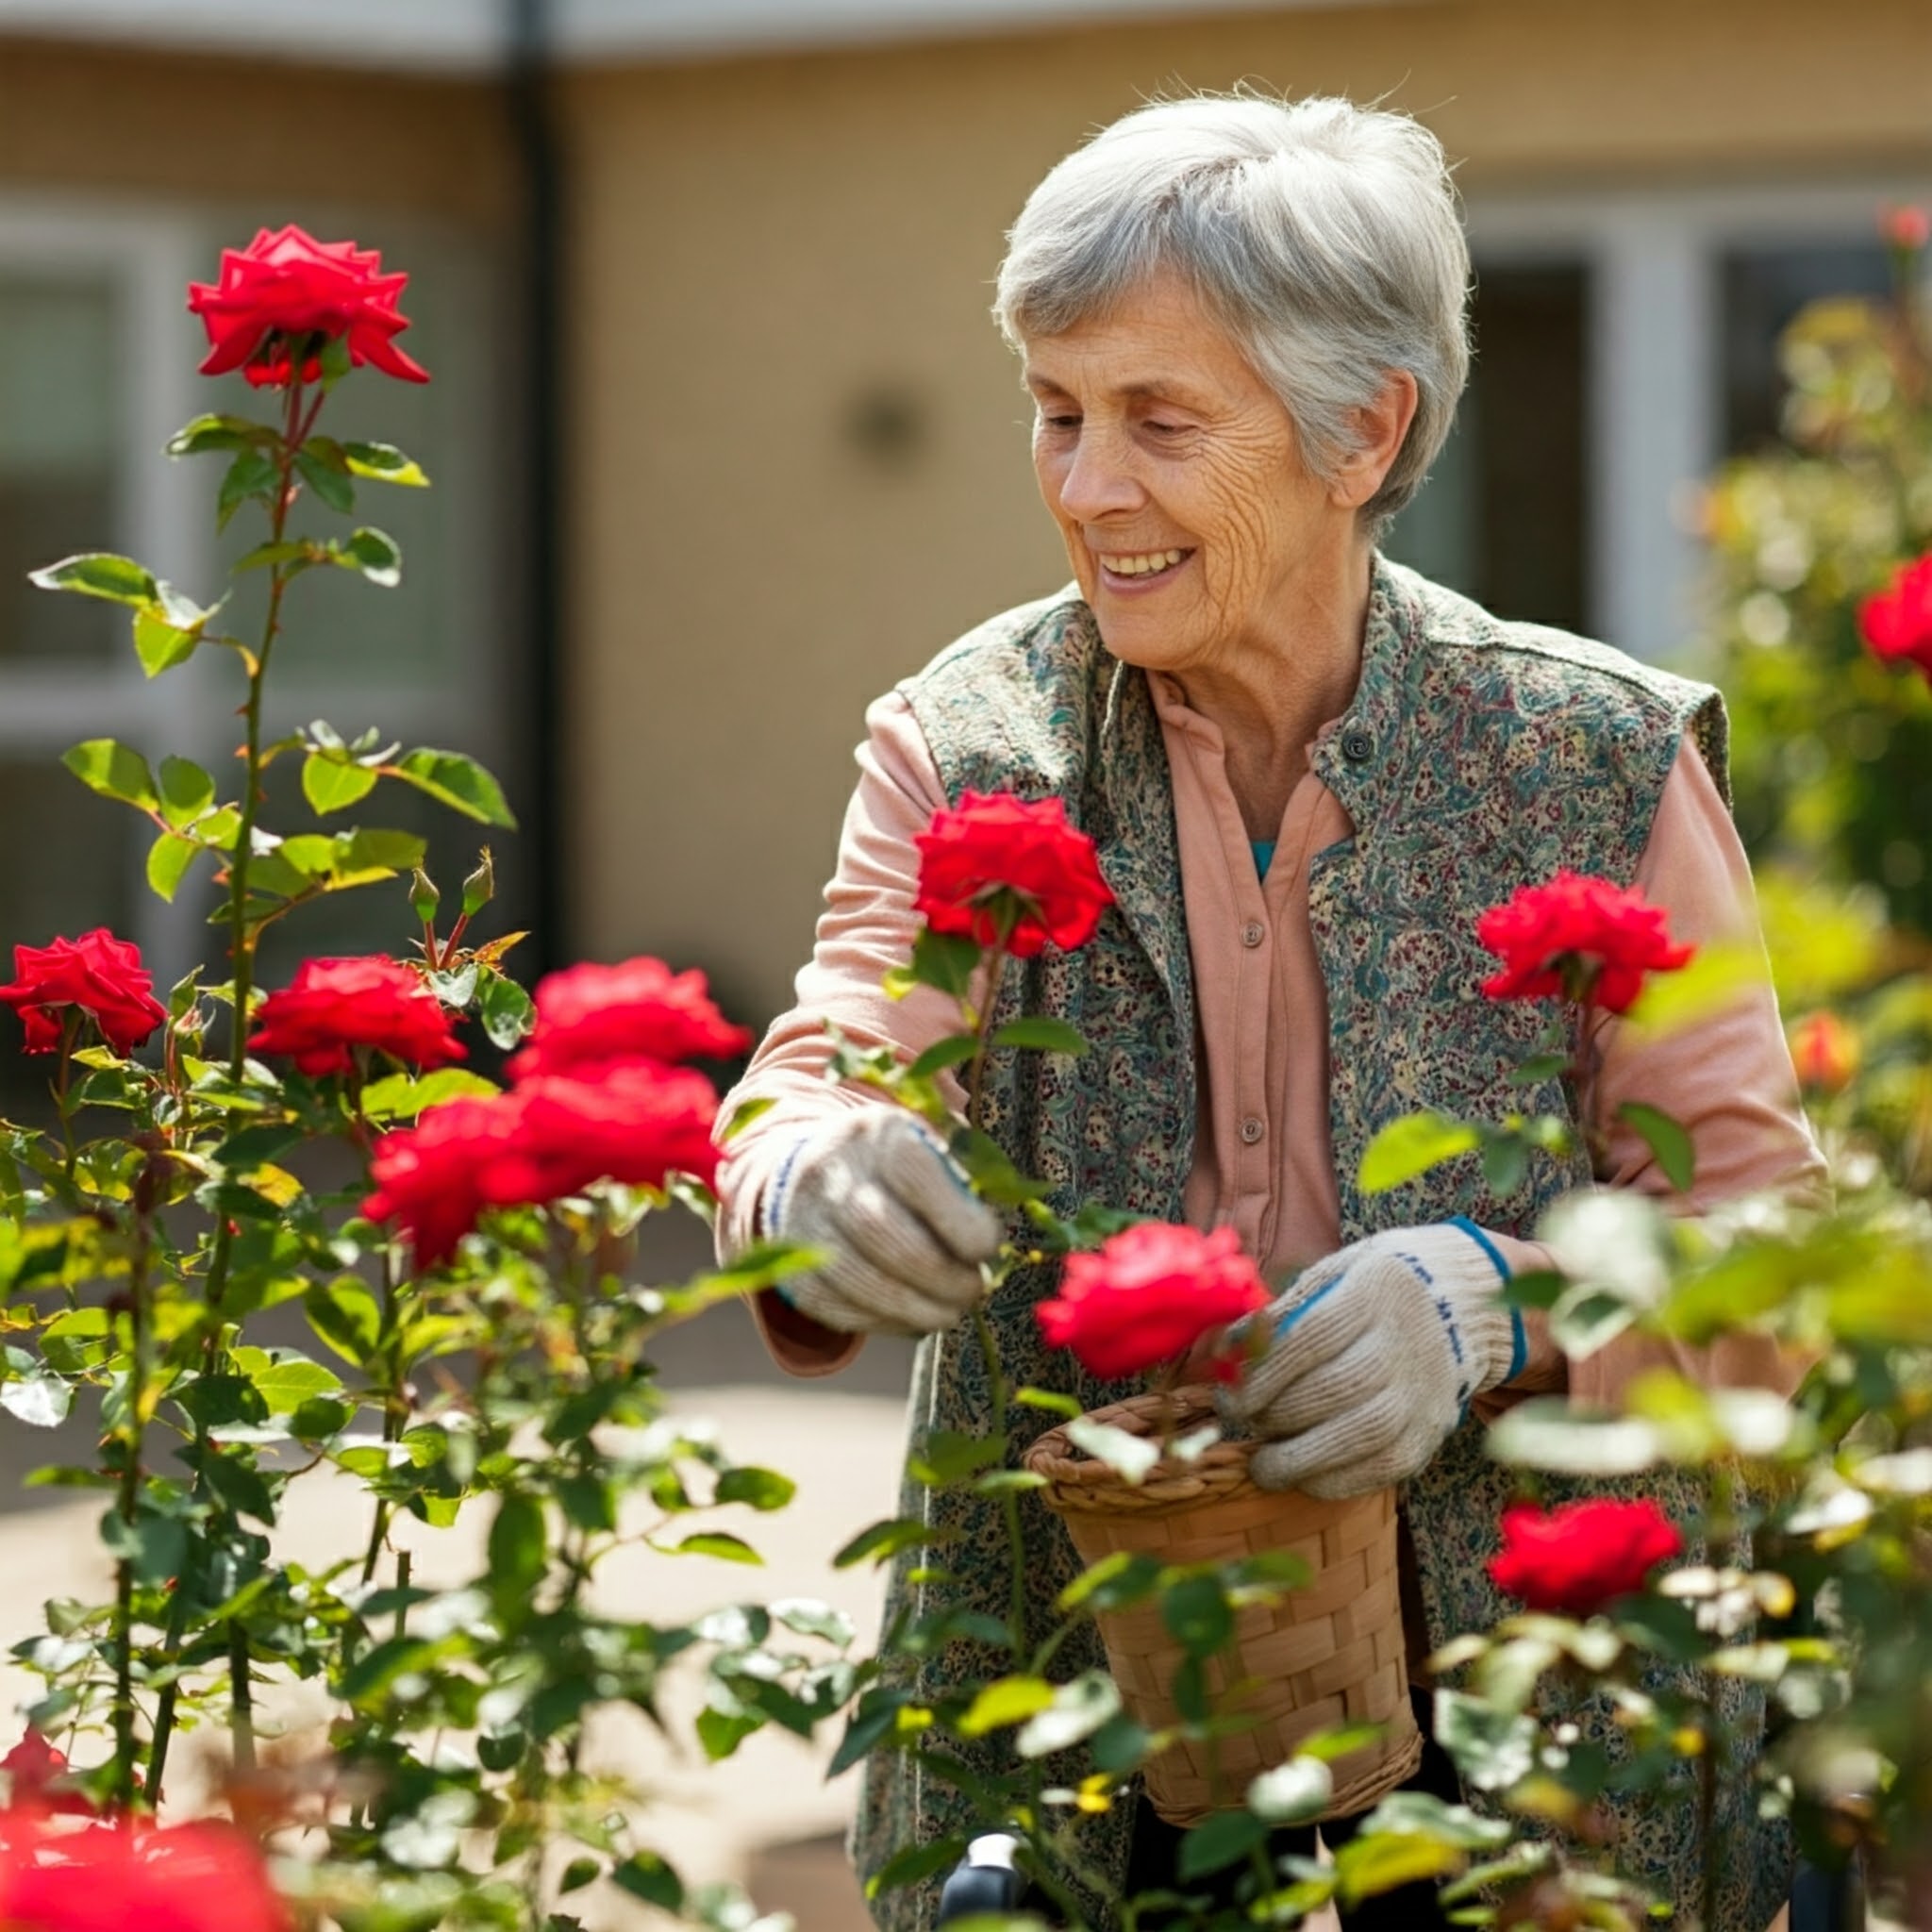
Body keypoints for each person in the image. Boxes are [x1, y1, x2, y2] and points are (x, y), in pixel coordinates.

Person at [716, 92, 1822, 1932]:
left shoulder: (1585, 755)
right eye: (1055, 415)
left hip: (1532, 1717)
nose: (1082, 489)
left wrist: (1490, 1302)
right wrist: (806, 1175)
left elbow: (1760, 1241)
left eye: (1158, 422)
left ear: (1361, 429)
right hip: (1070, 1709)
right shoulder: (962, 739)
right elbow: (827, 1066)